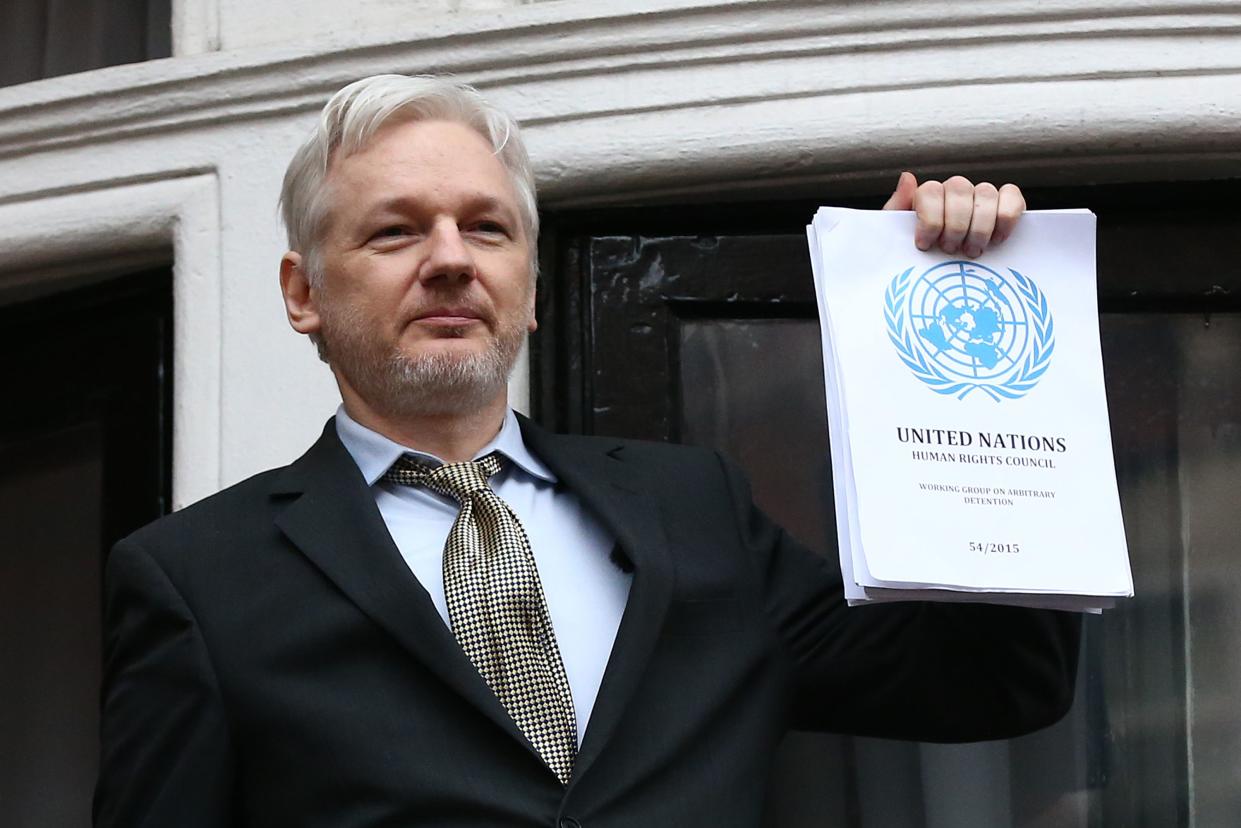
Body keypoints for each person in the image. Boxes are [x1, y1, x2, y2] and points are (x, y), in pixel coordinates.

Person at [93, 75, 1078, 827]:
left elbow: (988, 682)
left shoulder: (696, 510)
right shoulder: (195, 580)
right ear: (302, 293)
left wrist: (956, 331)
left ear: (528, 287)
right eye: (394, 232)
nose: (448, 258)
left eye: (486, 228)